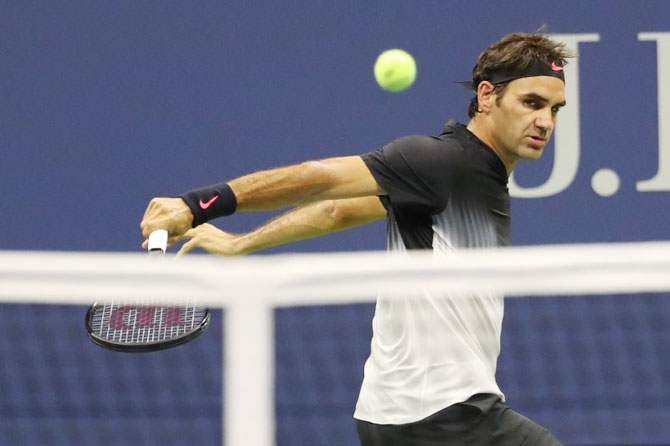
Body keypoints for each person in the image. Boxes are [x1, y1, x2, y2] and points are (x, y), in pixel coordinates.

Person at [141, 31, 572, 446]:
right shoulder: (439, 162)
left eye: (555, 109)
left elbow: (338, 210)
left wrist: (241, 243)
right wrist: (196, 205)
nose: (544, 121)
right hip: (442, 412)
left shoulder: (472, 178)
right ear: (486, 96)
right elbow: (322, 180)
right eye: (532, 103)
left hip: (393, 416)